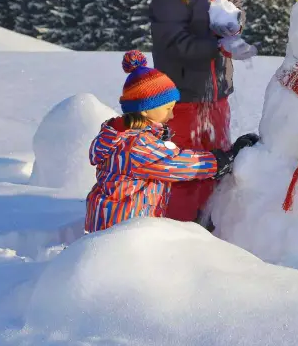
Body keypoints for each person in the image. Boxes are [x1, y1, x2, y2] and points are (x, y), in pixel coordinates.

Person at [149, 0, 256, 225]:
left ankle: (211, 224)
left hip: (218, 87)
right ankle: (179, 228)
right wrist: (216, 47)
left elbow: (237, 4)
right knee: (187, 165)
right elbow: (171, 39)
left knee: (217, 161)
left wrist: (234, 24)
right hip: (184, 92)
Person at [85, 51, 255, 233]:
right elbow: (177, 164)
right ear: (145, 110)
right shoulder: (137, 146)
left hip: (110, 220)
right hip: (122, 229)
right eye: (167, 108)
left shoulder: (121, 134)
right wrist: (221, 160)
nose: (172, 115)